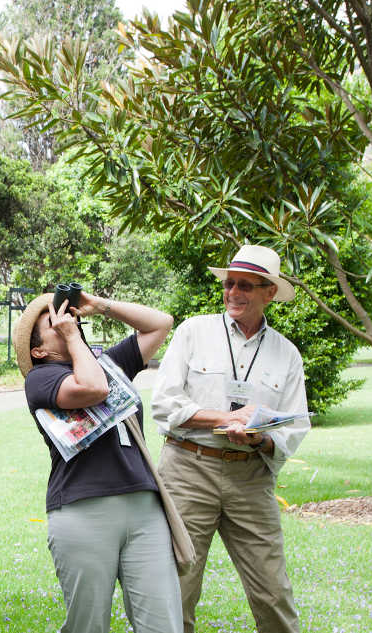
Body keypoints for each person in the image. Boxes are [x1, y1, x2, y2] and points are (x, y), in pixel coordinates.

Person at [11, 290, 193, 633]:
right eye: (54, 321)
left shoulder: (109, 363)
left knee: (163, 624)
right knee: (88, 626)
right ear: (39, 350)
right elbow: (94, 388)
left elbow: (160, 324)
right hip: (83, 509)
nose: (68, 320)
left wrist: (101, 306)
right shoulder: (41, 379)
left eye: (71, 316)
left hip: (144, 508)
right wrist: (73, 337)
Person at [152, 245, 310, 633]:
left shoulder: (286, 354)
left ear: (269, 293)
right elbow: (164, 404)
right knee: (178, 585)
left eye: (245, 286)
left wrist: (258, 439)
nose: (233, 293)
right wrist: (226, 418)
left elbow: (295, 425)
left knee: (273, 592)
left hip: (251, 476)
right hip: (188, 470)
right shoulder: (194, 331)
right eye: (229, 284)